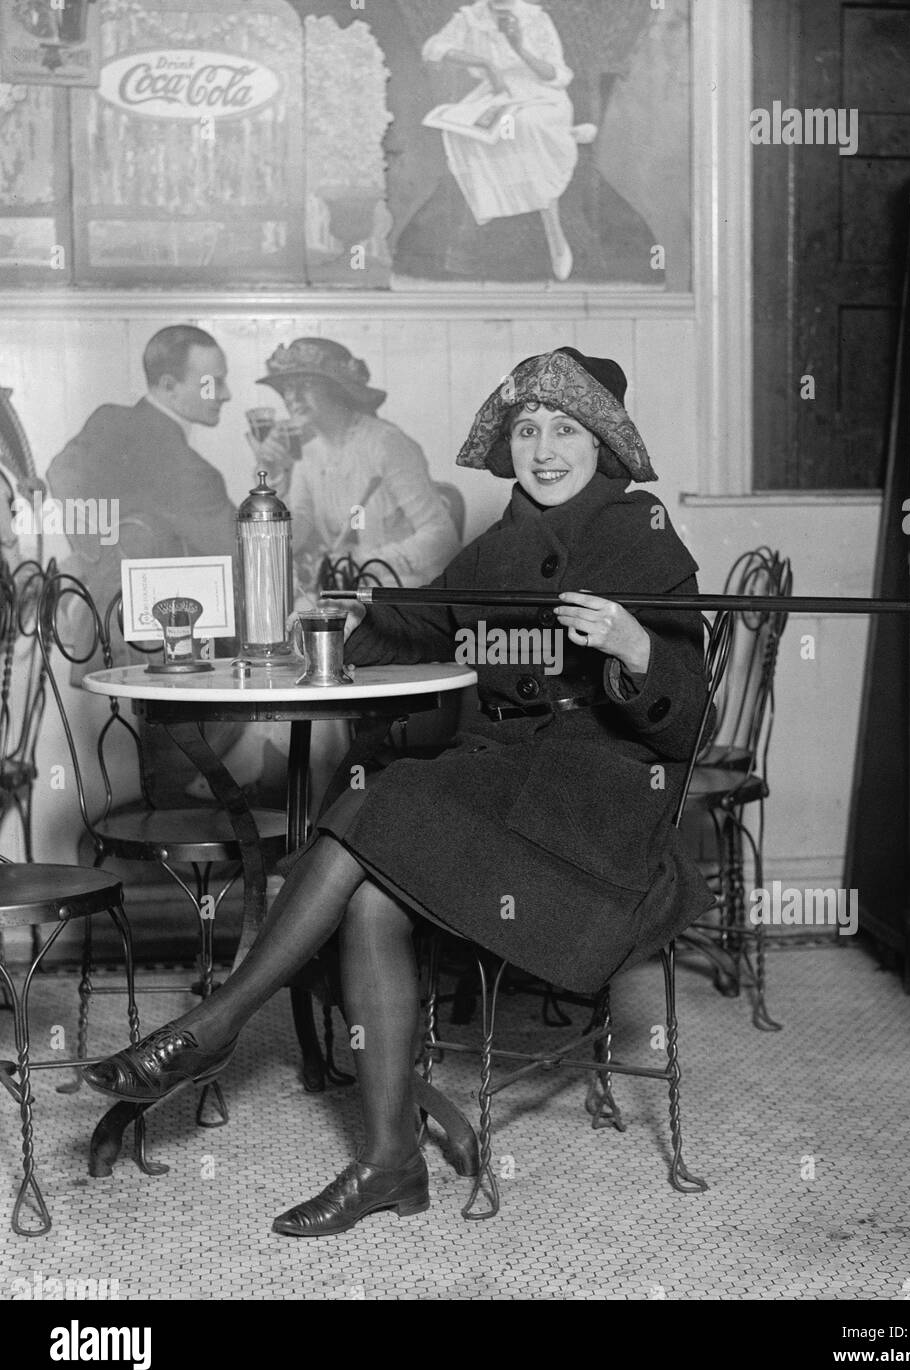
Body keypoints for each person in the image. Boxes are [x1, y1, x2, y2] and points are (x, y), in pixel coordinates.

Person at [84, 346, 716, 1238]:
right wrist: (353, 613)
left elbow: (688, 723)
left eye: (564, 430)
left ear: (603, 445)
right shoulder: (503, 542)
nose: (542, 448)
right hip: (505, 787)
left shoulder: (640, 533)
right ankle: (390, 1163)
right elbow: (425, 619)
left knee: (370, 814)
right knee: (372, 895)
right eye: (527, 429)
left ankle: (217, 1023)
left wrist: (635, 648)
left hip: (596, 815)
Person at [47, 324, 236, 673]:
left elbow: (61, 472)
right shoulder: (191, 472)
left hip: (93, 627)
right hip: (154, 648)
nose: (225, 395)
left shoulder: (108, 420)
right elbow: (242, 553)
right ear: (168, 386)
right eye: (213, 382)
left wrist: (94, 551)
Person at [249, 338, 459, 590]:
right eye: (286, 388)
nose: (291, 397)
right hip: (344, 592)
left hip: (404, 591)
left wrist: (363, 565)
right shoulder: (308, 454)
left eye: (304, 385)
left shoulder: (385, 443)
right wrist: (271, 478)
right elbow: (294, 537)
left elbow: (442, 537)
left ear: (336, 388)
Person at [422, 0, 593, 281]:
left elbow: (557, 74)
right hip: (497, 93)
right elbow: (434, 48)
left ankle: (555, 234)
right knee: (462, 130)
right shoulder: (471, 16)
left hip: (542, 95)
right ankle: (494, 200)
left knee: (524, 126)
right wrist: (485, 63)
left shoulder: (535, 18)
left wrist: (519, 47)